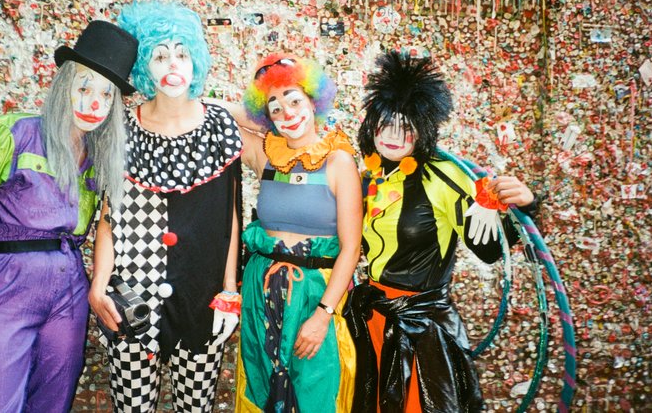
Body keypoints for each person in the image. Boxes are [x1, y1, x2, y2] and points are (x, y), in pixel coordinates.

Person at [0, 20, 138, 413]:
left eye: (106, 95)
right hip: (7, 279)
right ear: (64, 86)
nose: (94, 103)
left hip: (69, 285)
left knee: (53, 398)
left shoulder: (98, 159)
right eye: (84, 88)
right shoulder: (15, 132)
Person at [345, 51, 540, 412]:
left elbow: (487, 251)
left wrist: (525, 206)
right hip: (373, 321)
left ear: (423, 128)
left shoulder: (444, 176)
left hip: (423, 331)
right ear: (372, 124)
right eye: (386, 123)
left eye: (407, 126)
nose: (394, 135)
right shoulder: (368, 177)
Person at [89, 1, 243, 412]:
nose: (172, 64)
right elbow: (108, 217)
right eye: (160, 55)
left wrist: (229, 290)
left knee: (196, 406)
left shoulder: (220, 126)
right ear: (145, 66)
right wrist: (99, 284)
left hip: (200, 297)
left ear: (196, 61)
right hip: (131, 295)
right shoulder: (123, 128)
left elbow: (229, 217)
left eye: (182, 53)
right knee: (132, 407)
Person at [231, 53, 362, 412]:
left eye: (294, 100)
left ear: (313, 101)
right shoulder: (265, 155)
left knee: (315, 393)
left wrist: (322, 315)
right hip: (261, 295)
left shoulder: (339, 161)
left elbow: (351, 249)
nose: (287, 113)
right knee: (261, 390)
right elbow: (213, 111)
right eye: (275, 108)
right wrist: (260, 115)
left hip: (315, 294)